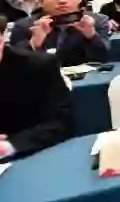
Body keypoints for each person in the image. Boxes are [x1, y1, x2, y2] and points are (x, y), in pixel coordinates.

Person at [0, 27, 74, 160]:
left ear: (1, 39)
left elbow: (60, 121)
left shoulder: (38, 66)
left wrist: (11, 145)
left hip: (32, 153)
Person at [9, 0, 110, 67]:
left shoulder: (96, 21)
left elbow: (103, 58)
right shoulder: (25, 26)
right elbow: (14, 66)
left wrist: (91, 36)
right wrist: (34, 43)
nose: (62, 1)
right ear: (40, 0)